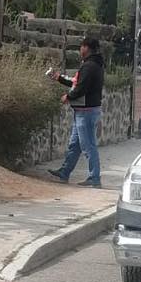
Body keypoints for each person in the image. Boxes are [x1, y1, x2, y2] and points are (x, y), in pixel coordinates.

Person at [48, 35, 105, 188]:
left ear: (86, 48)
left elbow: (81, 87)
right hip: (84, 111)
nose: (80, 49)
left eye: (81, 46)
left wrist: (69, 96)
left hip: (86, 112)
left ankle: (94, 177)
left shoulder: (89, 66)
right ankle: (65, 172)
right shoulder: (93, 65)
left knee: (88, 146)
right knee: (75, 145)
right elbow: (76, 83)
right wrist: (59, 78)